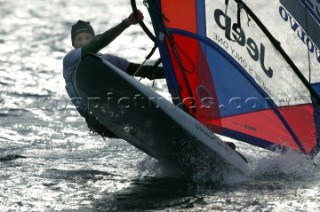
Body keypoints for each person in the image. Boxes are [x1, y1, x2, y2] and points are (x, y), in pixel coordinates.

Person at [63, 11, 165, 138]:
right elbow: (100, 41)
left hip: (121, 111)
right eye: (79, 39)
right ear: (73, 44)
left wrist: (173, 72)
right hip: (95, 118)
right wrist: (126, 23)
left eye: (87, 38)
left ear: (92, 38)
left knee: (151, 117)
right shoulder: (70, 60)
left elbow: (145, 71)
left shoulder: (108, 60)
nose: (84, 42)